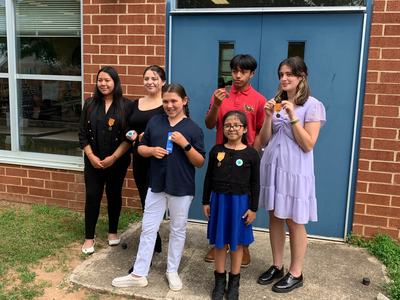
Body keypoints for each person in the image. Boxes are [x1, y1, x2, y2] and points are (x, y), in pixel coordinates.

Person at [112, 83, 205, 291]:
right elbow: (140, 149)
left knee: (178, 229)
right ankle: (139, 273)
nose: (169, 105)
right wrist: (151, 150)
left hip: (181, 187)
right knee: (148, 228)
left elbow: (199, 162)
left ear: (184, 101)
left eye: (174, 101)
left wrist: (185, 144)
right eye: (165, 101)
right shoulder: (155, 122)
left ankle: (172, 270)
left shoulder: (192, 129)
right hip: (156, 185)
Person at [256, 56, 326, 293]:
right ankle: (277, 265)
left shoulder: (313, 105)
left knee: (294, 221)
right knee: (274, 216)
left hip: (295, 170)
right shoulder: (276, 102)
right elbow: (263, 140)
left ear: (301, 77)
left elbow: (308, 144)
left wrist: (294, 116)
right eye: (281, 74)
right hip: (273, 167)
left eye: (289, 74)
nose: (284, 78)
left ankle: (296, 272)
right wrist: (267, 117)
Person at [204, 54, 266, 266]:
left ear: (252, 74)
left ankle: (243, 245)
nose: (238, 76)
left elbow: (260, 130)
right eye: (235, 71)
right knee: (220, 197)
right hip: (222, 155)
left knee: (243, 200)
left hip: (245, 157)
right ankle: (218, 243)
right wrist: (215, 105)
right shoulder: (220, 95)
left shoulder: (258, 99)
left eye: (244, 72)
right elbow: (210, 124)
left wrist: (253, 153)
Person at [203, 110, 260, 300]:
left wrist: (253, 208)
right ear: (223, 128)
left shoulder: (251, 154)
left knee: (237, 244)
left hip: (240, 204)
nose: (232, 128)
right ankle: (219, 282)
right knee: (220, 243)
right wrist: (205, 201)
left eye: (237, 125)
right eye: (227, 125)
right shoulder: (216, 151)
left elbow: (255, 183)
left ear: (244, 129)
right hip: (219, 202)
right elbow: (208, 177)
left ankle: (234, 283)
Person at [78, 66, 133, 254]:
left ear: (115, 82)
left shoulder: (126, 105)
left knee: (114, 194)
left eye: (107, 80)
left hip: (117, 161)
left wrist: (114, 157)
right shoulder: (90, 103)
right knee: (92, 196)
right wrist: (91, 156)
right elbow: (82, 134)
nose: (103, 84)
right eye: (100, 80)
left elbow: (129, 136)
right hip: (93, 161)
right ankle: (89, 238)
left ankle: (112, 232)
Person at [127, 65, 166, 256]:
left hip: (159, 159)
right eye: (147, 78)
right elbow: (126, 130)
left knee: (157, 199)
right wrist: (134, 136)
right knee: (145, 198)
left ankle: (153, 236)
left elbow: (177, 126)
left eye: (155, 78)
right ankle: (154, 237)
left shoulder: (167, 103)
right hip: (140, 158)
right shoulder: (135, 104)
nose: (150, 82)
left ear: (163, 82)